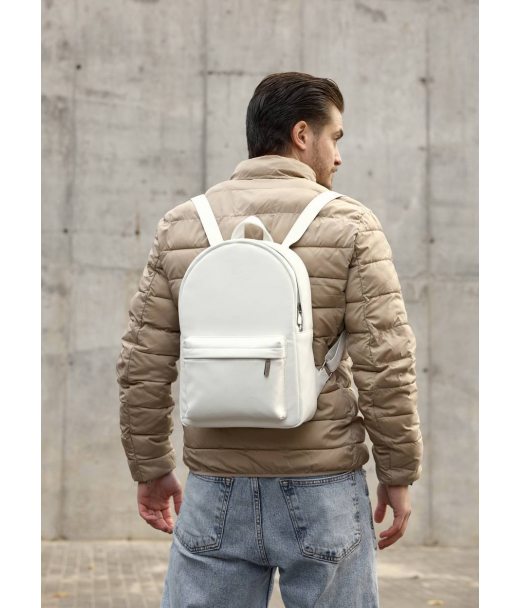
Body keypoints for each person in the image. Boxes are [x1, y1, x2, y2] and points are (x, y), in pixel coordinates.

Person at [116, 72, 423, 608]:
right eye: (336, 138)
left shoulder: (182, 225)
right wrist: (397, 472)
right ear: (303, 135)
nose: (339, 156)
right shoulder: (351, 224)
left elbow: (143, 362)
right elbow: (386, 362)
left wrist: (152, 467)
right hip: (324, 484)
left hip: (215, 486)